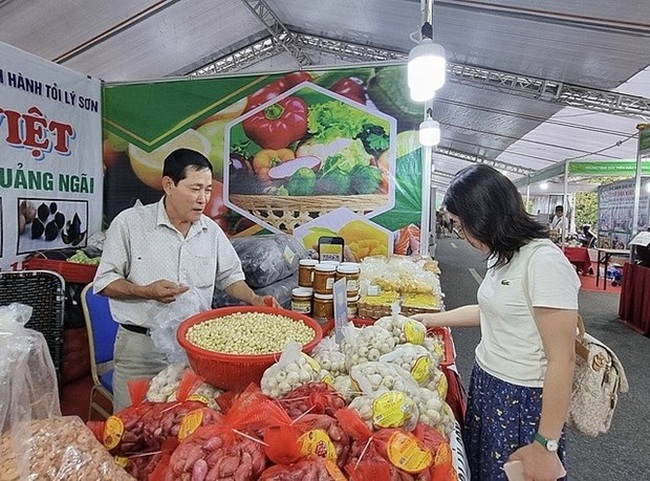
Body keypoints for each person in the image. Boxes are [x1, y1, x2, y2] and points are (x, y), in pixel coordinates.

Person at [411, 165, 579, 480]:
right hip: (489, 386)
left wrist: (545, 444)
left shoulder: (544, 262)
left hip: (523, 401)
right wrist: (430, 318)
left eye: (462, 226)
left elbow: (563, 359)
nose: (463, 235)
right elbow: (491, 309)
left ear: (484, 215)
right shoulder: (503, 255)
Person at [94, 148, 277, 411]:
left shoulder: (210, 231)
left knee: (185, 427)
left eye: (207, 190)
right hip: (141, 350)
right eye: (195, 189)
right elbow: (105, 283)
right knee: (130, 428)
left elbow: (229, 276)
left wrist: (254, 298)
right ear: (168, 185)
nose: (203, 199)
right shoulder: (130, 224)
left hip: (194, 351)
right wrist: (147, 291)